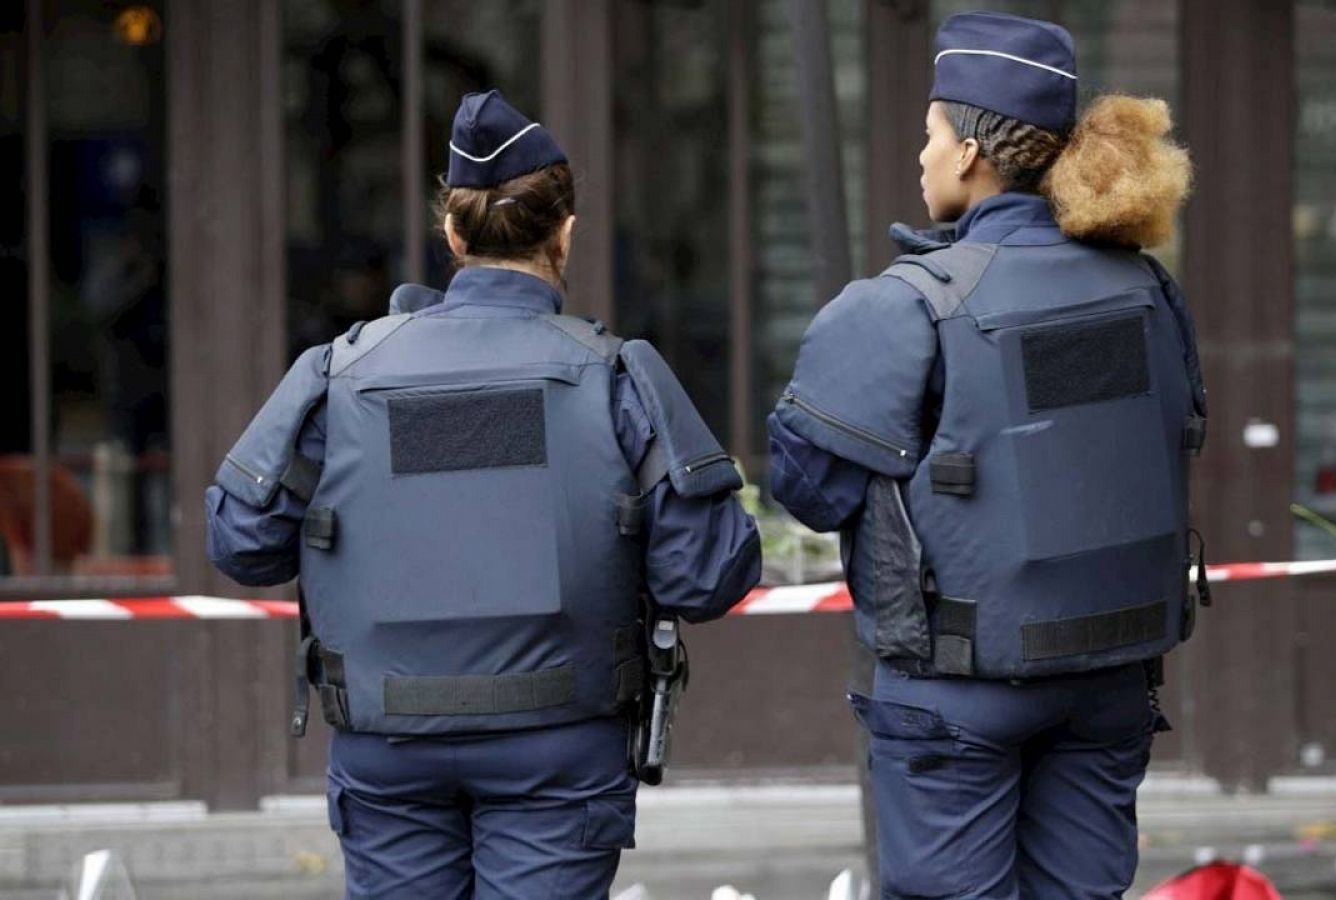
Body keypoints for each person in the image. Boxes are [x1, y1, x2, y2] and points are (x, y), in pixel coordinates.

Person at [207, 89, 761, 899]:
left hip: (389, 747)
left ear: (452, 233)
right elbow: (708, 576)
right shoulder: (616, 377)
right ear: (564, 233)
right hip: (559, 747)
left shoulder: (341, 372)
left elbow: (240, 543)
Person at [767, 12, 1204, 899]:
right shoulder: (1149, 289)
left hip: (957, 698)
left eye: (928, 135)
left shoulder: (907, 306)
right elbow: (1180, 429)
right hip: (1110, 682)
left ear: (969, 152)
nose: (919, 155)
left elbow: (806, 489)